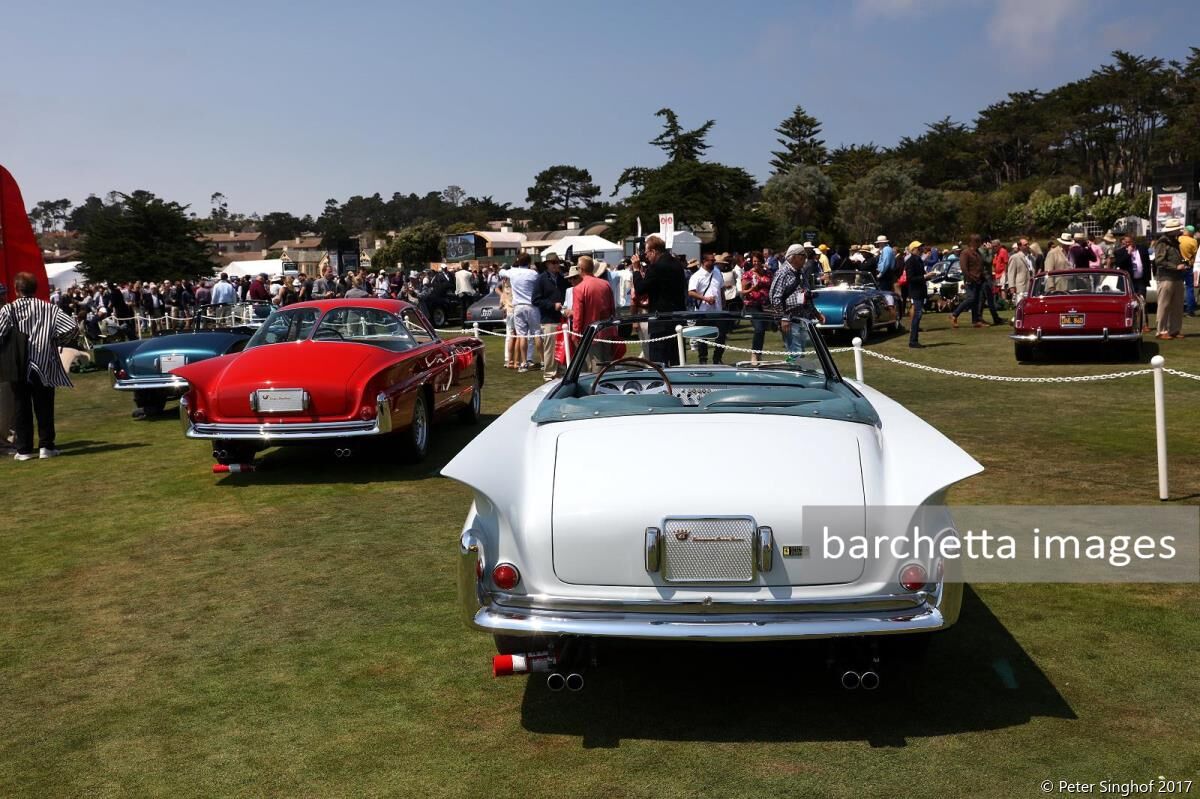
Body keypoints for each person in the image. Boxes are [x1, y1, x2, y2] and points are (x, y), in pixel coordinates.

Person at [0, 272, 79, 460]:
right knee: (44, 406)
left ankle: (24, 449)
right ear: (35, 288)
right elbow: (72, 328)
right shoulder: (48, 308)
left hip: (18, 363)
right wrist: (56, 341)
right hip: (44, 361)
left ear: (17, 290)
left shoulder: (7, 310)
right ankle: (46, 446)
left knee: (21, 406)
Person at [631, 235, 687, 365]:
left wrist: (636, 270)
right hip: (677, 317)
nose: (646, 256)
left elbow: (640, 289)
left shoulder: (656, 267)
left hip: (660, 321)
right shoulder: (677, 264)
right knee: (676, 361)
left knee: (659, 363)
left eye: (647, 253)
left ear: (654, 251)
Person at [769, 243, 826, 358]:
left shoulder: (800, 272)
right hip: (789, 319)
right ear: (794, 257)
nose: (805, 259)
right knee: (796, 353)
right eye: (802, 256)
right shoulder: (783, 272)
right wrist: (783, 317)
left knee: (801, 353)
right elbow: (775, 297)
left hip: (802, 317)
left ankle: (798, 372)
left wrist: (816, 313)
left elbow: (806, 295)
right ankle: (796, 373)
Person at [570, 256, 617, 369]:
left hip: (590, 334)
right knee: (609, 364)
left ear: (580, 269)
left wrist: (575, 334)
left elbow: (578, 315)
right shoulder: (605, 284)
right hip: (607, 330)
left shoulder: (579, 288)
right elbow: (612, 309)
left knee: (595, 366)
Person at [498, 253, 542, 372]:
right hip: (531, 306)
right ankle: (543, 361)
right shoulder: (533, 273)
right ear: (529, 262)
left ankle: (523, 363)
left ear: (518, 261)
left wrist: (508, 268)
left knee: (522, 335)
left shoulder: (513, 272)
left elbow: (501, 272)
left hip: (518, 307)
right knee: (537, 333)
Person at [532, 254, 569, 381]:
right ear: (547, 264)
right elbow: (535, 300)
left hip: (563, 319)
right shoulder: (541, 279)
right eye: (553, 262)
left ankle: (561, 373)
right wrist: (553, 305)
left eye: (557, 262)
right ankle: (549, 375)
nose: (556, 265)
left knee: (563, 347)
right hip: (549, 319)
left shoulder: (562, 278)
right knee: (550, 349)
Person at [1153, 218, 1188, 340]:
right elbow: (1159, 261)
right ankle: (1161, 331)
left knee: (1177, 306)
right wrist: (1175, 266)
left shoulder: (1175, 242)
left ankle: (1174, 330)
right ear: (1172, 231)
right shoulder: (1162, 243)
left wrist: (1183, 264)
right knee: (1164, 305)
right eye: (1177, 229)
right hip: (1166, 278)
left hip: (1177, 278)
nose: (1179, 231)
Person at [687, 252, 725, 364]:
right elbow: (691, 292)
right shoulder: (696, 276)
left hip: (717, 310)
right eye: (711, 260)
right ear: (704, 262)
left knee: (721, 336)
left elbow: (721, 289)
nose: (714, 262)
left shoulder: (717, 272)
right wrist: (705, 298)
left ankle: (717, 358)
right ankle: (703, 359)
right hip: (703, 311)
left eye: (714, 260)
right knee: (702, 337)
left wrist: (723, 303)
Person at [740, 252, 772, 364]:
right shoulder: (747, 274)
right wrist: (752, 288)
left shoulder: (768, 273)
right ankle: (754, 353)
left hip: (765, 305)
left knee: (762, 330)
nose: (756, 263)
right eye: (754, 261)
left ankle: (759, 353)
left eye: (758, 261)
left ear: (762, 261)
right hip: (752, 304)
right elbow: (743, 291)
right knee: (759, 328)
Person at [950, 234, 986, 328]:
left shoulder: (978, 252)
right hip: (970, 280)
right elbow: (964, 268)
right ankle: (954, 314)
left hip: (979, 279)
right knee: (971, 298)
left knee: (976, 300)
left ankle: (975, 321)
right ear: (972, 242)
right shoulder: (965, 253)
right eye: (977, 241)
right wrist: (969, 277)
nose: (980, 243)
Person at [904, 241, 930, 348]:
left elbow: (921, 275)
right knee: (917, 315)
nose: (921, 250)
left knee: (918, 315)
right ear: (914, 249)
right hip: (915, 291)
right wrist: (924, 277)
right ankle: (913, 341)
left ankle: (914, 340)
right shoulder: (910, 261)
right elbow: (910, 278)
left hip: (920, 290)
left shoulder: (919, 260)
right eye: (919, 248)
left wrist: (929, 276)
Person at [1179, 225, 1197, 316]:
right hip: (1189, 266)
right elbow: (1195, 254)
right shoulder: (1193, 241)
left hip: (1178, 266)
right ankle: (1190, 310)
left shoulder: (1178, 239)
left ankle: (1178, 309)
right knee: (1190, 289)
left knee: (1178, 288)